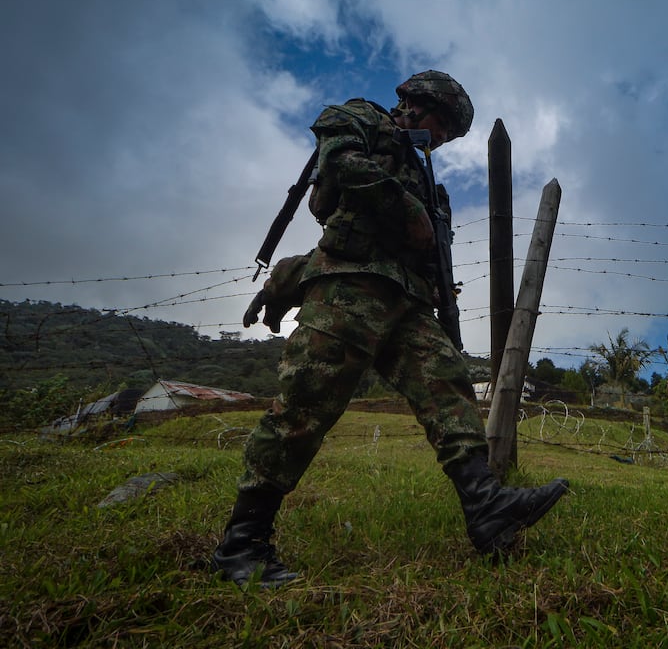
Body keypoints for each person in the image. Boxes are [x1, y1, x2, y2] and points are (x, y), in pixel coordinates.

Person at [212, 70, 568, 587]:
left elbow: (426, 252)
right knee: (303, 410)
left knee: (448, 387)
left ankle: (487, 508)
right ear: (414, 104)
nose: (441, 139)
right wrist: (406, 211)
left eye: (449, 133)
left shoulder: (425, 179)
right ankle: (241, 546)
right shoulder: (361, 118)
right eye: (441, 125)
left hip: (407, 305)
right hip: (348, 293)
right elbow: (339, 166)